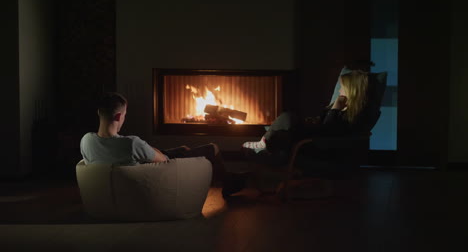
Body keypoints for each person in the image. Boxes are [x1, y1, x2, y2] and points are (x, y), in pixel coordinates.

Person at [223, 70, 372, 197]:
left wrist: (334, 110)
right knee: (287, 120)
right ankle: (258, 155)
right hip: (306, 142)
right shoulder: (345, 110)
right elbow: (324, 126)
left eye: (342, 88)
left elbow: (327, 132)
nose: (339, 91)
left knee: (287, 121)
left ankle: (246, 171)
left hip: (312, 148)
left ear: (351, 90)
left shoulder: (350, 115)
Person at [80, 92, 225, 182]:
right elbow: (165, 161)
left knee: (182, 149)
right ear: (119, 116)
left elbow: (118, 150)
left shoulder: (86, 140)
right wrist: (151, 150)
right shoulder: (131, 143)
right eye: (124, 115)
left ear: (99, 113)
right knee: (213, 148)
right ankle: (228, 180)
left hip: (127, 172)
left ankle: (229, 179)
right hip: (157, 172)